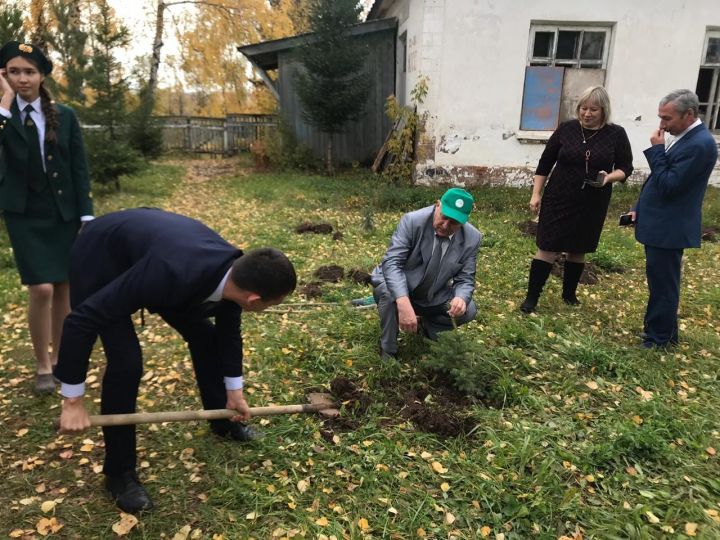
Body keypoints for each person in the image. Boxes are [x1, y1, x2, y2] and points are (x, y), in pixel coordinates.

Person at [54, 208, 297, 513]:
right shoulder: (169, 273)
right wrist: (72, 402)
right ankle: (119, 473)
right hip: (101, 256)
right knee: (127, 362)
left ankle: (220, 419)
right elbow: (79, 322)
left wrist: (234, 393)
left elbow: (228, 334)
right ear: (254, 300)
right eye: (275, 303)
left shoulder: (234, 274)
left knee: (206, 338)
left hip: (158, 263)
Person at [0, 41, 93, 394]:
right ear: (4, 76)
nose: (22, 79)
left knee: (64, 288)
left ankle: (59, 360)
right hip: (23, 213)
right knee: (40, 288)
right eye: (14, 72)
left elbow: (79, 166)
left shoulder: (65, 116)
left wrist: (87, 214)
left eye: (29, 71)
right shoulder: (3, 113)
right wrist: (5, 103)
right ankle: (41, 364)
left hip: (63, 212)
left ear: (42, 75)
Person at [519, 86, 634, 313]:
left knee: (578, 248)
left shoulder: (616, 134)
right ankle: (532, 297)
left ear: (604, 110)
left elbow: (625, 167)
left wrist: (609, 178)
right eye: (583, 108)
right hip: (559, 196)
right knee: (547, 246)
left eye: (593, 109)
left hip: (593, 200)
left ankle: (569, 294)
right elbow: (544, 164)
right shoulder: (566, 130)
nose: (587, 114)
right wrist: (536, 194)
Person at [630, 89, 717, 348]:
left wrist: (656, 151)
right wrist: (639, 207)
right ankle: (663, 333)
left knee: (665, 286)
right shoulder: (685, 137)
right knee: (660, 283)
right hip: (660, 222)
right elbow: (659, 179)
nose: (662, 125)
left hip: (670, 227)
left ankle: (659, 339)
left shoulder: (700, 144)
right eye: (660, 118)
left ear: (689, 114)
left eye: (667, 119)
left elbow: (669, 184)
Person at [370, 188, 482, 359]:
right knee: (387, 292)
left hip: (432, 293)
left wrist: (461, 297)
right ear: (438, 205)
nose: (445, 225)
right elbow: (392, 263)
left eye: (453, 223)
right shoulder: (413, 221)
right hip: (401, 286)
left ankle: (428, 328)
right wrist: (403, 301)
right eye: (444, 217)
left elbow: (466, 278)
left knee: (469, 309)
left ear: (464, 222)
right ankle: (388, 350)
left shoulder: (472, 238)